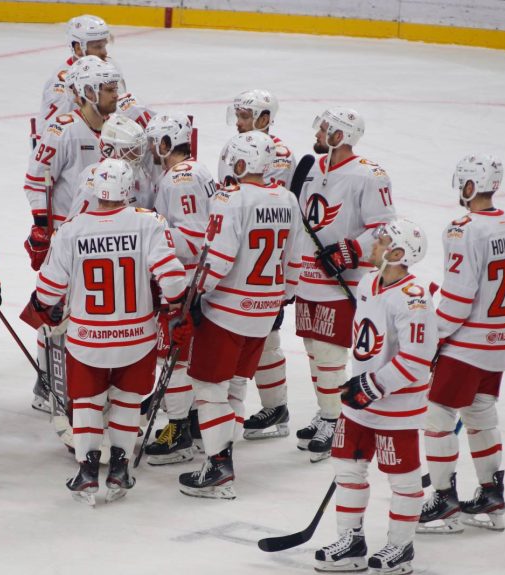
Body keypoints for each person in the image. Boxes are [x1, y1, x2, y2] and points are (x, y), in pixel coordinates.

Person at [21, 158, 187, 505]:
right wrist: (176, 307)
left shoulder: (72, 229)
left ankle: (87, 470)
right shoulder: (148, 222)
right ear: (128, 189)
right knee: (127, 399)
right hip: (136, 337)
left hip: (88, 339)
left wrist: (41, 306)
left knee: (87, 402)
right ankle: (120, 467)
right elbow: (173, 280)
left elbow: (48, 291)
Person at [178, 131, 303, 499]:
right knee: (233, 385)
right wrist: (283, 296)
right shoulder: (287, 199)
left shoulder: (230, 198)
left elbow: (218, 257)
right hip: (265, 310)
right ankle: (223, 454)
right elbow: (295, 258)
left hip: (227, 310)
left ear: (241, 162)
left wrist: (194, 294)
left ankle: (219, 467)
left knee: (209, 389)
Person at [314, 218, 437, 575]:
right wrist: (361, 386)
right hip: (362, 400)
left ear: (397, 254)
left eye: (382, 241)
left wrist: (372, 386)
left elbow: (416, 361)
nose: (374, 244)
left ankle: (401, 548)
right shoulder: (369, 281)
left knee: (403, 479)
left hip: (396, 404)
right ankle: (351, 542)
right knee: (347, 466)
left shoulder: (414, 300)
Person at [417, 155, 505, 534]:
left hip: (466, 345)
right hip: (501, 341)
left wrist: (433, 337)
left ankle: (444, 501)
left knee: (437, 415)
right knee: (481, 414)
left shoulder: (462, 229)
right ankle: (491, 496)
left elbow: (459, 299)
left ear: (469, 186)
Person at [296, 107, 396, 462]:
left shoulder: (369, 175)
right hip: (307, 276)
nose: (318, 133)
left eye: (324, 129)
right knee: (313, 350)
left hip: (343, 281)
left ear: (339, 136)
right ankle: (327, 411)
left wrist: (350, 250)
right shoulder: (311, 168)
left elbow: (384, 227)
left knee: (330, 353)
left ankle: (334, 419)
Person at [25, 56, 122, 413]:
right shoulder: (62, 129)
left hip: (105, 238)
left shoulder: (117, 128)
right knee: (55, 312)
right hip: (67, 239)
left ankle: (92, 384)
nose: (116, 95)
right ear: (88, 92)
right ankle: (48, 381)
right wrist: (42, 226)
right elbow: (36, 181)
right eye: (108, 89)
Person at [219, 89, 297, 440]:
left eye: (245, 116)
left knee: (267, 337)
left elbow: (266, 207)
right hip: (239, 257)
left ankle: (275, 406)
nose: (238, 122)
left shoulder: (278, 155)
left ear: (265, 118)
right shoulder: (235, 146)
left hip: (263, 262)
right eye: (237, 114)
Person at [142, 113, 217, 465]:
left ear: (167, 142)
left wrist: (149, 234)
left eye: (154, 142)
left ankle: (178, 431)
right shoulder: (197, 171)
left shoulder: (178, 179)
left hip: (183, 281)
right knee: (186, 357)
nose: (151, 150)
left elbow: (194, 237)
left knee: (172, 356)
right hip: (198, 280)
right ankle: (194, 424)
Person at [34, 14, 112, 139]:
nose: (104, 52)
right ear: (78, 48)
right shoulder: (64, 87)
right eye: (98, 47)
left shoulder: (103, 69)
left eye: (104, 45)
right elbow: (51, 136)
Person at [67, 114, 152, 218]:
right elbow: (77, 222)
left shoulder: (140, 173)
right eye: (131, 150)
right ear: (111, 149)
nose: (138, 155)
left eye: (138, 149)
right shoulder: (93, 179)